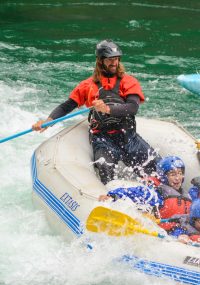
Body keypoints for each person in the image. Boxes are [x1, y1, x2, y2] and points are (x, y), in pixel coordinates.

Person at [32, 39, 159, 184]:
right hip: (103, 139)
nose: (114, 63)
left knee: (157, 167)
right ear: (100, 61)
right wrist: (47, 122)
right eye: (110, 60)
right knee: (105, 167)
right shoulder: (87, 85)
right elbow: (66, 106)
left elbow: (132, 107)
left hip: (128, 136)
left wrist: (107, 108)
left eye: (116, 59)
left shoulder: (128, 81)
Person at [98, 156, 192, 228]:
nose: (177, 178)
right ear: (163, 176)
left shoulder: (187, 196)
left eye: (180, 173)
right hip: (163, 233)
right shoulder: (157, 193)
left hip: (180, 234)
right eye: (173, 174)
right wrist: (112, 196)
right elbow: (134, 193)